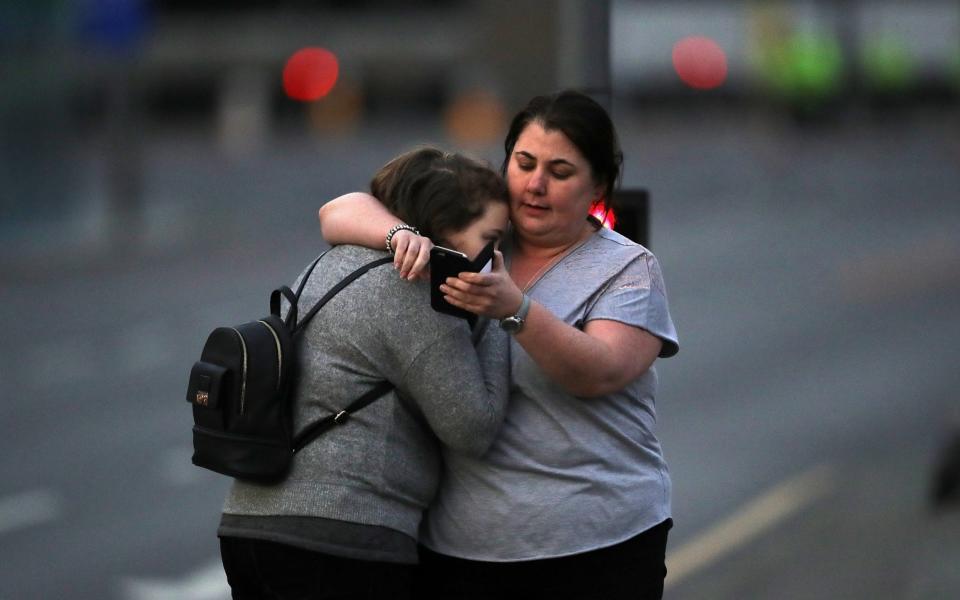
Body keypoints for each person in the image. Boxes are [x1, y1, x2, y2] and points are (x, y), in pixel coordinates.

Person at [318, 89, 680, 599]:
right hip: (461, 551)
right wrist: (400, 234)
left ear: (597, 184)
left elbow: (601, 372)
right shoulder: (475, 234)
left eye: (560, 172)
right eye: (524, 163)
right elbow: (340, 210)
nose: (535, 184)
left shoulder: (627, 268)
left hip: (599, 544)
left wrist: (517, 308)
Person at [218, 147, 511, 600]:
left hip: (249, 525)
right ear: (445, 229)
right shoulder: (413, 294)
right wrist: (496, 313)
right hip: (338, 541)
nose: (494, 257)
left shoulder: (331, 262)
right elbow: (473, 427)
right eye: (490, 239)